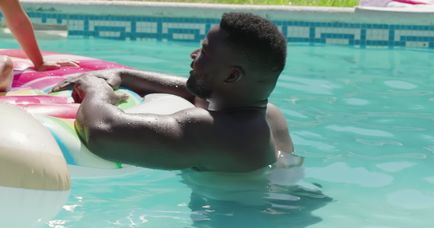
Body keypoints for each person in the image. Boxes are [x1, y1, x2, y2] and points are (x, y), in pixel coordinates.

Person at [54, 12, 295, 172]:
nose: (193, 56)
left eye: (204, 52)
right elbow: (196, 94)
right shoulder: (270, 116)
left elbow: (102, 133)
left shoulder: (215, 132)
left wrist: (95, 88)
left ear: (232, 76)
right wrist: (124, 75)